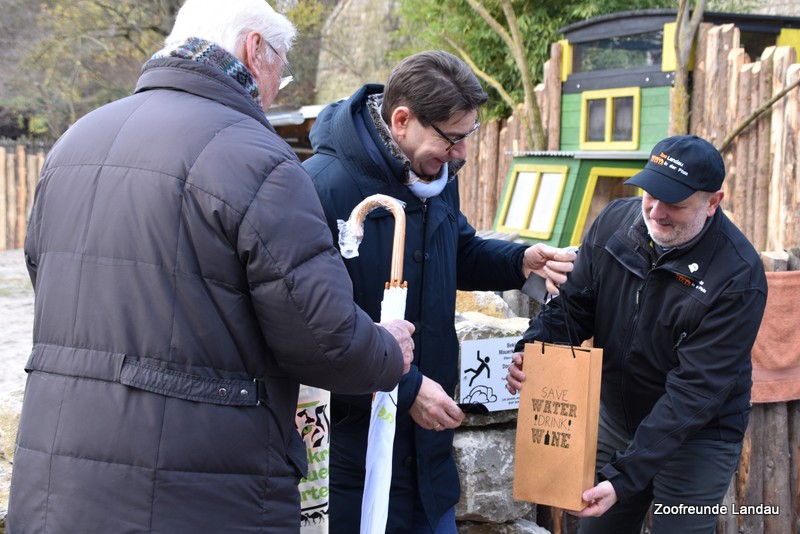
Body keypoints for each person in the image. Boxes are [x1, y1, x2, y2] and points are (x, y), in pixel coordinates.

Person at [7, 0, 416, 532]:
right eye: (281, 71)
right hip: (198, 491)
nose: (275, 91)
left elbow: (49, 284)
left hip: (56, 487)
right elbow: (325, 341)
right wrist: (388, 349)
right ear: (254, 51)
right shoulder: (259, 159)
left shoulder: (73, 144)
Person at [303, 50, 577, 533]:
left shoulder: (433, 177)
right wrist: (406, 389)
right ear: (402, 120)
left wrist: (519, 261)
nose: (462, 154)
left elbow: (457, 251)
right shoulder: (320, 190)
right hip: (353, 454)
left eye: (466, 136)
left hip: (428, 462)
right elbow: (312, 324)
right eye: (452, 138)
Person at [506, 134, 768, 534]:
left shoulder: (737, 276)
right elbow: (575, 306)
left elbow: (694, 391)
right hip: (616, 415)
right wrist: (536, 349)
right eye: (651, 194)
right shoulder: (614, 222)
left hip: (697, 434)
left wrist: (624, 475)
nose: (656, 212)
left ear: (713, 202)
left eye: (676, 203)